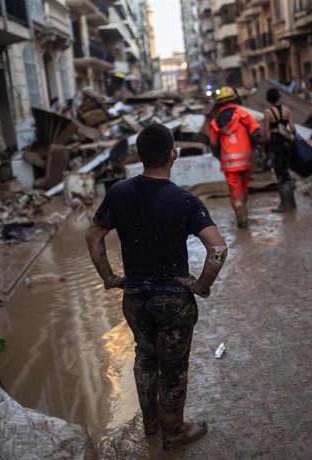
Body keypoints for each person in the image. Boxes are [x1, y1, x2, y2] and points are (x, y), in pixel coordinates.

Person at [85, 124, 227, 451]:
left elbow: (93, 236)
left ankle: (150, 424)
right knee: (173, 368)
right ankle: (174, 431)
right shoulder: (186, 201)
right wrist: (201, 285)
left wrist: (109, 277)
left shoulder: (118, 192)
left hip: (135, 297)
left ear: (138, 156)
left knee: (145, 358)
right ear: (173, 155)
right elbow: (218, 249)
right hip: (173, 301)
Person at [209, 87, 262, 228]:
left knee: (235, 191)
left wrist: (220, 158)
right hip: (245, 161)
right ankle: (245, 216)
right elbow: (257, 134)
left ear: (219, 104)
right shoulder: (242, 114)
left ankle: (241, 221)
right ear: (234, 99)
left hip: (229, 164)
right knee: (244, 189)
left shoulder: (215, 122)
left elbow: (213, 146)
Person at [263, 88, 297, 213]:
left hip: (275, 143)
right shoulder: (287, 110)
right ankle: (292, 201)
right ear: (278, 97)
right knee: (286, 170)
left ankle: (285, 203)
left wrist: (265, 147)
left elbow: (266, 133)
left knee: (279, 172)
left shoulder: (268, 112)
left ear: (268, 99)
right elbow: (292, 128)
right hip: (286, 143)